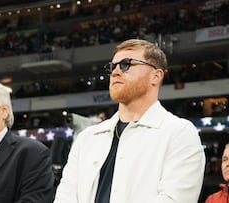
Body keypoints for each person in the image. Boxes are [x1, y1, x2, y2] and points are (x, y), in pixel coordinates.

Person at [54, 39, 206, 203]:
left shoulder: (179, 133)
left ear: (155, 76)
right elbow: (65, 198)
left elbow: (175, 199)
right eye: (113, 67)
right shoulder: (87, 138)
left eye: (126, 64)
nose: (116, 72)